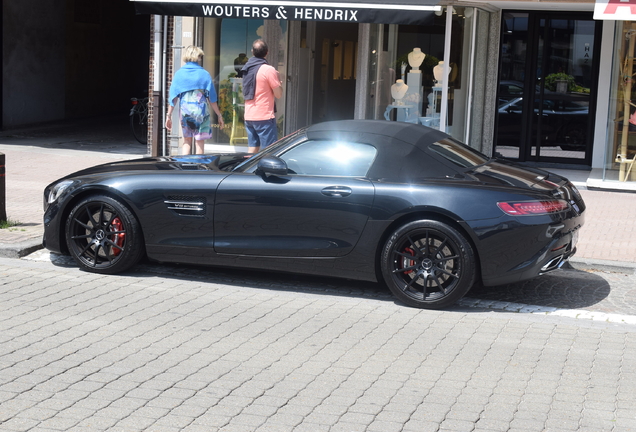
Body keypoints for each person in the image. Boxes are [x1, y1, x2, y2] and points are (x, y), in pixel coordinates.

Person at [165, 46, 224, 155]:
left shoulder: (179, 74)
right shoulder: (204, 74)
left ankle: (185, 168)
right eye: (200, 56)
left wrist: (168, 115)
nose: (201, 58)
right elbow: (212, 98)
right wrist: (219, 115)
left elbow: (173, 97)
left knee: (187, 141)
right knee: (200, 141)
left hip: (185, 111)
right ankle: (199, 168)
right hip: (201, 112)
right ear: (198, 57)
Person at [240, 39, 283, 153]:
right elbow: (278, 94)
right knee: (269, 151)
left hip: (249, 115)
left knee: (252, 149)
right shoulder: (268, 70)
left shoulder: (247, 68)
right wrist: (279, 81)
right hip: (264, 116)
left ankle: (247, 170)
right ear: (267, 52)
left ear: (252, 52)